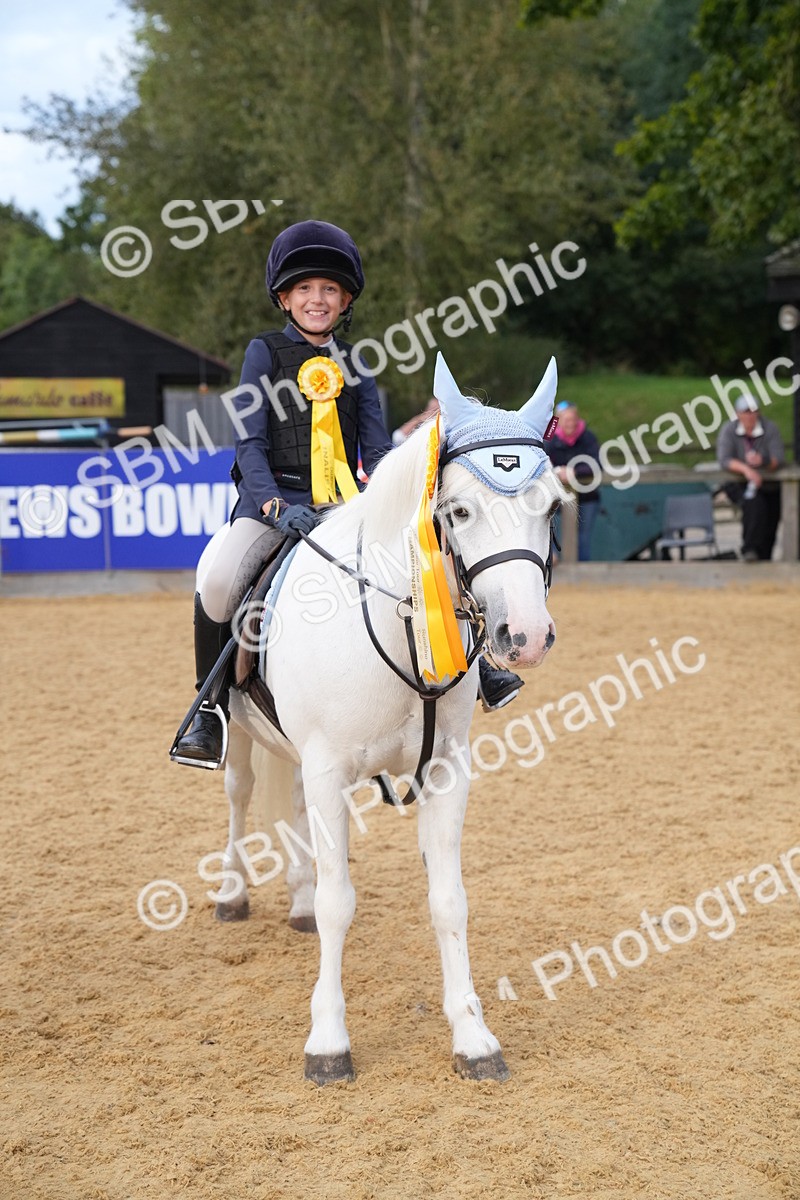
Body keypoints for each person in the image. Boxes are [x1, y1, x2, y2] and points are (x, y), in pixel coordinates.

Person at [173, 220, 519, 768]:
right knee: (218, 580)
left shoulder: (358, 364)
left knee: (435, 556)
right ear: (285, 298)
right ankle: (208, 710)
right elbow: (250, 443)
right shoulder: (262, 353)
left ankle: (481, 669)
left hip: (347, 506)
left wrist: (393, 497)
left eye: (330, 290)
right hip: (275, 506)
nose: (318, 299)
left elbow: (380, 453)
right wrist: (274, 505)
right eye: (306, 289)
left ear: (346, 300)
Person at [716, 393, 785, 561]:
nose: (750, 416)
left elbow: (778, 458)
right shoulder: (729, 430)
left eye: (753, 411)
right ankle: (750, 549)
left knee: (771, 517)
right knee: (755, 504)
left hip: (768, 485)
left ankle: (765, 557)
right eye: (746, 412)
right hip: (740, 484)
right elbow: (724, 459)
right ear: (738, 413)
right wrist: (746, 470)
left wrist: (763, 461)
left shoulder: (770, 428)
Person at [544, 400, 601, 562]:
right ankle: (552, 563)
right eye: (567, 419)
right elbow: (542, 462)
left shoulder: (588, 437)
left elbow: (597, 464)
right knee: (550, 528)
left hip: (587, 496)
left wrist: (574, 472)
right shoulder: (550, 439)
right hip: (559, 497)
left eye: (573, 418)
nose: (571, 423)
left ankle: (583, 576)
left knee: (583, 539)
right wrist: (557, 471)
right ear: (559, 420)